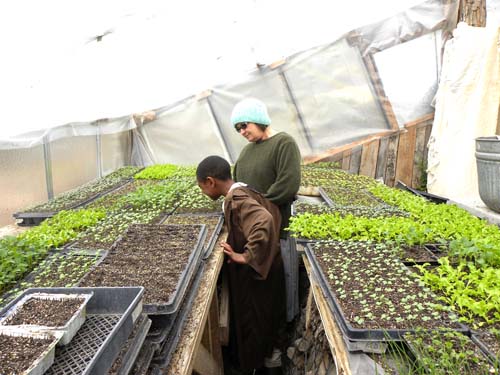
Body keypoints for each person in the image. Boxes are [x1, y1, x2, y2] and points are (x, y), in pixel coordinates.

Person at [196, 155, 286, 375]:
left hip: (256, 275)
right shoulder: (247, 190)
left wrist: (245, 256)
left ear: (210, 181)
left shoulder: (236, 198)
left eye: (201, 187)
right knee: (266, 319)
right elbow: (272, 213)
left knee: (252, 323)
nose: (202, 192)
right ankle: (268, 361)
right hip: (269, 269)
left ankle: (252, 367)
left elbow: (263, 220)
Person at [231, 98, 301, 327]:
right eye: (238, 128)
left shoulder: (284, 143)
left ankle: (283, 335)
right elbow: (238, 185)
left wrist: (257, 212)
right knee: (258, 291)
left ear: (260, 120)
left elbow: (286, 185)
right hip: (252, 233)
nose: (242, 131)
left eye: (245, 124)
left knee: (279, 284)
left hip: (276, 231)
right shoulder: (246, 153)